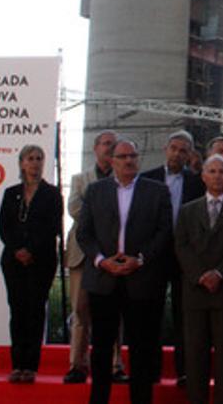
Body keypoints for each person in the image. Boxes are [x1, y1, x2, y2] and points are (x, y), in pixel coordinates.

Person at [76, 138, 173, 404]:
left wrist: (140, 259)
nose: (129, 160)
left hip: (141, 279)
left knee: (141, 349)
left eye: (133, 156)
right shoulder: (96, 191)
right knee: (102, 348)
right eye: (123, 157)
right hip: (103, 278)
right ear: (112, 161)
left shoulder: (157, 191)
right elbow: (84, 234)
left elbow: (164, 232)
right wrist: (100, 260)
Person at [175, 154, 223, 404]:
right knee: (195, 358)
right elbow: (181, 245)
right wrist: (200, 274)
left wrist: (220, 273)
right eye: (212, 171)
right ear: (203, 176)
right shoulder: (188, 210)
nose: (217, 176)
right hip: (195, 293)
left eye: (222, 171)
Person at [142, 129, 205, 384]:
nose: (177, 154)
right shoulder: (146, 180)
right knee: (150, 313)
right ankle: (151, 370)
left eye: (183, 150)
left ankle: (184, 371)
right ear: (166, 149)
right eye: (174, 148)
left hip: (185, 257)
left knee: (185, 316)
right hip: (154, 254)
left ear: (190, 155)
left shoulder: (196, 182)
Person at [0, 144, 63, 383]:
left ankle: (31, 366)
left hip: (41, 260)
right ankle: (18, 365)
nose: (35, 163)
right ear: (21, 163)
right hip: (13, 261)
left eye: (39, 158)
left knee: (35, 310)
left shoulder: (52, 193)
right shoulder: (11, 192)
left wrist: (31, 249)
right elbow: (3, 226)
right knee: (18, 309)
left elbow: (53, 227)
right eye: (30, 158)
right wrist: (17, 249)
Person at [64, 131, 126, 384]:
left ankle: (115, 365)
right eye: (106, 144)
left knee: (113, 311)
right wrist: (104, 214)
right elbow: (75, 209)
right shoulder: (80, 179)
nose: (110, 148)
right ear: (96, 147)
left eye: (114, 145)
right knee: (80, 311)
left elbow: (126, 212)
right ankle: (77, 364)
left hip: (114, 254)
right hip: (82, 253)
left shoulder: (124, 179)